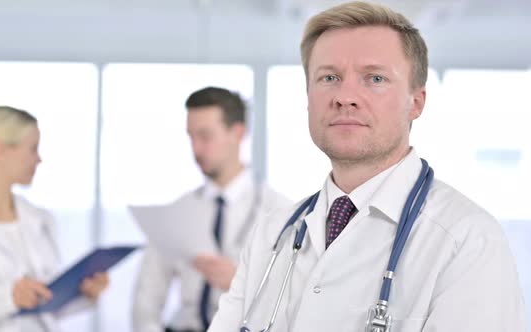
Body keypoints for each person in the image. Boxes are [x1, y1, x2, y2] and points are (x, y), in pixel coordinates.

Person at [208, 2, 526, 331]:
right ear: (308, 97)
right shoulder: (273, 234)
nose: (345, 96)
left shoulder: (466, 241)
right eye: (329, 77)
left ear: (415, 102)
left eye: (374, 78)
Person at [132, 87, 291, 332]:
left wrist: (242, 285)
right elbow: (146, 300)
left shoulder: (280, 212)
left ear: (237, 133)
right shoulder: (179, 211)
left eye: (205, 136)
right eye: (191, 137)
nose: (196, 149)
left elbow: (293, 301)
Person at [0, 106, 110, 331]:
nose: (39, 159)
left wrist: (83, 294)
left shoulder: (40, 219)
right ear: (0, 149)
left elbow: (46, 304)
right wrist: (7, 298)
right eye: (33, 149)